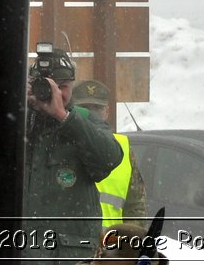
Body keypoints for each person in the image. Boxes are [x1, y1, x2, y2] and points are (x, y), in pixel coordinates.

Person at [24, 48, 124, 261]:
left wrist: (63, 117)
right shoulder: (22, 119)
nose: (56, 93)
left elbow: (109, 159)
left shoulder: (85, 120)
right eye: (48, 86)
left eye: (62, 87)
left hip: (71, 253)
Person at [71, 78, 148, 226]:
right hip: (72, 243)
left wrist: (129, 240)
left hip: (112, 244)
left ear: (106, 112)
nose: (91, 113)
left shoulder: (123, 148)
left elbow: (136, 206)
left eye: (96, 108)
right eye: (85, 107)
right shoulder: (63, 143)